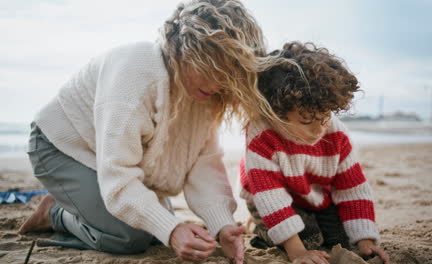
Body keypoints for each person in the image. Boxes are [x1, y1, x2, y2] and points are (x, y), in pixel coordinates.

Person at [18, 1, 272, 263]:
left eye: (228, 73)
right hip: (62, 146)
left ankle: (83, 202)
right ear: (186, 51)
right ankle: (56, 212)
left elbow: (204, 165)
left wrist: (223, 226)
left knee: (151, 228)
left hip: (112, 158)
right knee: (130, 237)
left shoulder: (206, 94)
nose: (218, 83)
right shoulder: (136, 73)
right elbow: (119, 180)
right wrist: (172, 230)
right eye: (210, 69)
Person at [239, 42, 390, 264]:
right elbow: (270, 196)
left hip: (313, 192)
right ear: (276, 112)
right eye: (305, 121)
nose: (318, 129)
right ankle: (261, 228)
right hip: (266, 195)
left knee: (342, 239)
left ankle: (309, 219)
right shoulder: (261, 135)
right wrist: (296, 252)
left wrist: (366, 241)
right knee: (309, 240)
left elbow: (353, 190)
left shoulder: (336, 134)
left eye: (324, 118)